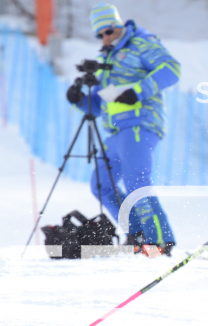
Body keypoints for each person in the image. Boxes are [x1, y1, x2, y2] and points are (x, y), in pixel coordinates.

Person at [66, 3, 180, 257]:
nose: (105, 37)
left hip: (140, 124)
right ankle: (138, 235)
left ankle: (159, 242)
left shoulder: (140, 43)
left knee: (137, 183)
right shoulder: (107, 59)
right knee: (101, 185)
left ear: (117, 25)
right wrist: (78, 100)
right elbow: (99, 105)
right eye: (100, 35)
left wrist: (137, 91)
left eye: (108, 31)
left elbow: (172, 69)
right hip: (116, 132)